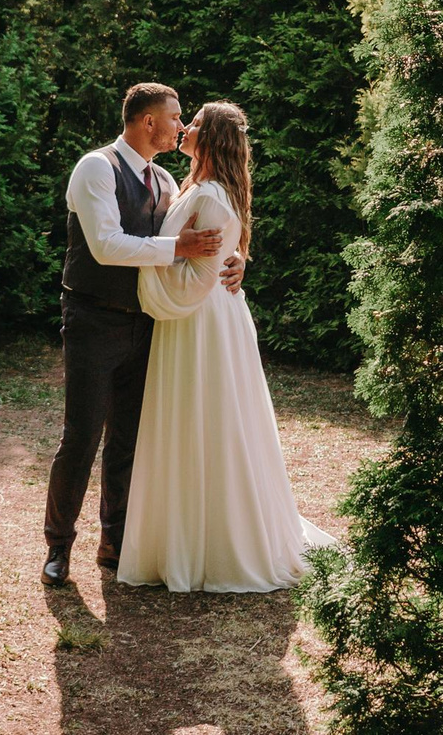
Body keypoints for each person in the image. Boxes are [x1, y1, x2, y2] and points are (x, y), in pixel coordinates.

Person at [115, 99, 337, 592]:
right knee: (196, 419)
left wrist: (153, 290)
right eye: (184, 119)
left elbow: (194, 280)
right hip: (201, 316)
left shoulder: (210, 196)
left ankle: (209, 546)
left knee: (205, 419)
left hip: (200, 322)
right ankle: (183, 540)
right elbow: (205, 259)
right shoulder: (192, 187)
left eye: (193, 122)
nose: (185, 127)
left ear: (211, 138)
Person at [42, 83, 246, 585]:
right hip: (93, 321)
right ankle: (58, 548)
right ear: (148, 121)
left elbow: (207, 231)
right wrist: (179, 247)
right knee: (82, 436)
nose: (180, 126)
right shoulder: (97, 168)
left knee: (129, 439)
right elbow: (109, 245)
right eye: (175, 117)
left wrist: (235, 258)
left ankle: (114, 542)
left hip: (147, 324)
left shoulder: (164, 180)